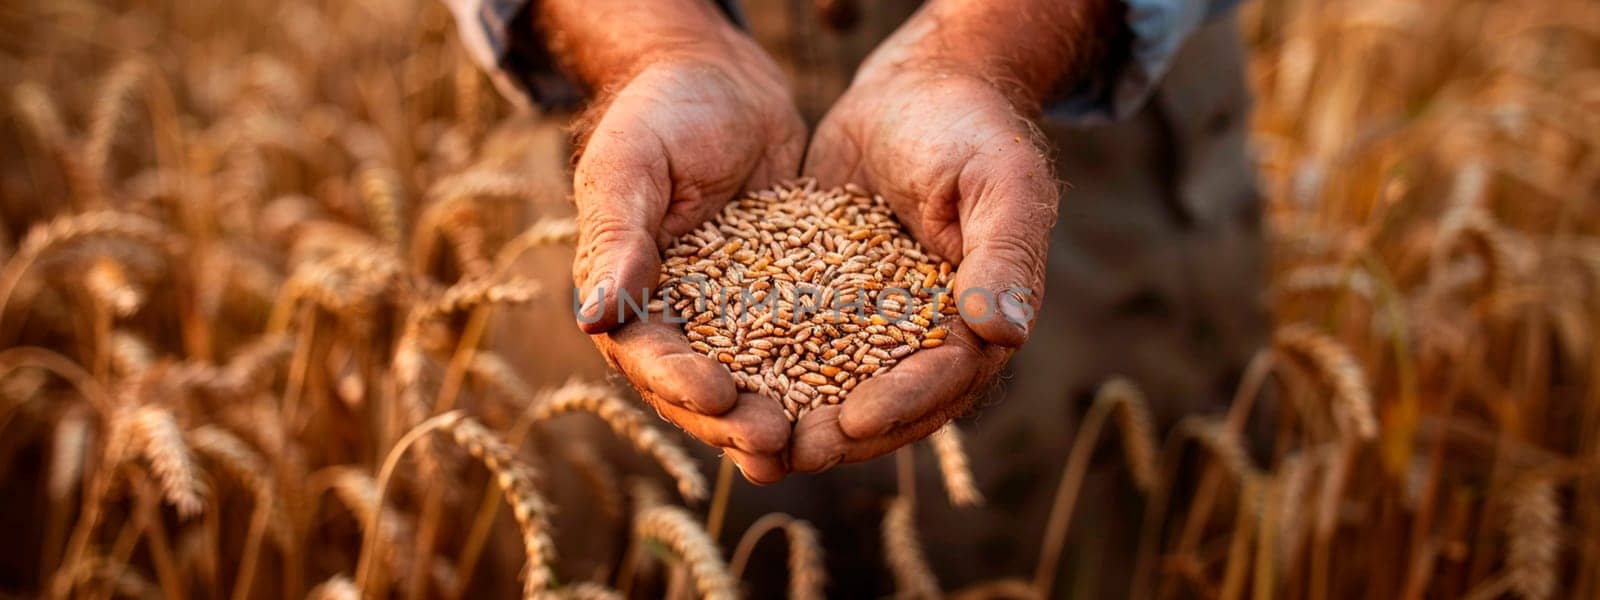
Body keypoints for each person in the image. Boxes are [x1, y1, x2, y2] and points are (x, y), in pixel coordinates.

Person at [449, 0, 1264, 594]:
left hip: (1083, 107)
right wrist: (651, 40)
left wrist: (993, 43)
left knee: (1088, 556)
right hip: (630, 111)